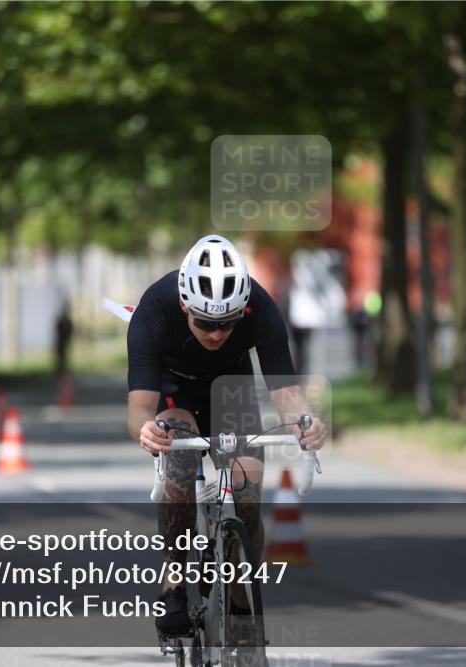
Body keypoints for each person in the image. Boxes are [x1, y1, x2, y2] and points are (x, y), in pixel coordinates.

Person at [126, 234, 327, 637]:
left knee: (248, 497)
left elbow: (286, 393)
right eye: (204, 323)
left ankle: (240, 602)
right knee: (180, 463)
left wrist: (307, 421)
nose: (216, 334)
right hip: (173, 392)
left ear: (243, 309)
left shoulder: (262, 308)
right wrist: (146, 431)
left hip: (231, 391)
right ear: (184, 305)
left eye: (227, 324)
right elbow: (139, 409)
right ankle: (174, 582)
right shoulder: (154, 309)